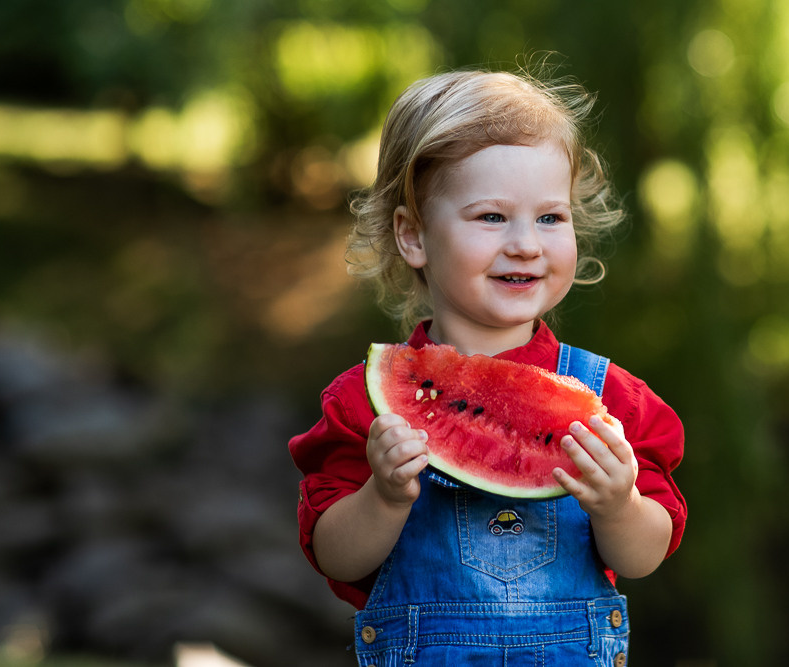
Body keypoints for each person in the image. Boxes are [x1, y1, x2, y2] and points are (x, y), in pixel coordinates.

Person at [289, 64, 686, 666]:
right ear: (413, 236)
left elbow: (644, 556)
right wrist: (384, 497)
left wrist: (619, 505)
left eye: (550, 217)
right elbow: (334, 556)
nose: (526, 242)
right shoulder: (361, 403)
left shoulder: (613, 399)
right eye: (492, 217)